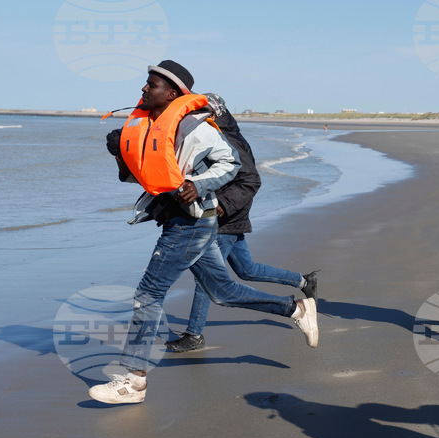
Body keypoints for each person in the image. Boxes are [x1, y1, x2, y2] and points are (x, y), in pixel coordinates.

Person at [89, 60, 318, 405]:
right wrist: (120, 153)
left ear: (173, 93)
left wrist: (198, 183)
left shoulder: (197, 128)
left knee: (147, 295)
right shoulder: (150, 125)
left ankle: (133, 382)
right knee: (223, 291)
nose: (144, 89)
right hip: (182, 219)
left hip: (191, 222)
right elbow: (146, 177)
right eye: (145, 83)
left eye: (151, 85)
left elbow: (232, 163)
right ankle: (296, 310)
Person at [165, 93, 318, 353]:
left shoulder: (226, 137)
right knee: (246, 269)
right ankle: (304, 281)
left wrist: (222, 207)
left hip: (223, 217)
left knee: (208, 281)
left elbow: (251, 180)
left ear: (212, 113)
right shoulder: (213, 133)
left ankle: (194, 335)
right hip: (226, 215)